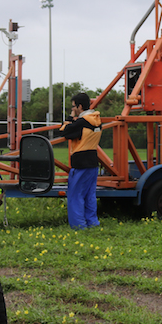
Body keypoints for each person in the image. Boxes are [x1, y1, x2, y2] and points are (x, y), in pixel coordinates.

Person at [59, 92, 102, 230]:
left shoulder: (81, 122)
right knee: (90, 194)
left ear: (80, 106)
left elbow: (64, 131)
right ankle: (92, 222)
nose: (73, 109)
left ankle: (79, 225)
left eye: (74, 107)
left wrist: (70, 117)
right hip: (93, 162)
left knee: (75, 195)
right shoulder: (97, 120)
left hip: (80, 162)